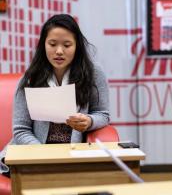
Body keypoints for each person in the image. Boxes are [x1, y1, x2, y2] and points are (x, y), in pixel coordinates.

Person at [0, 14, 110, 176]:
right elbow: (21, 130)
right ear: (43, 45)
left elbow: (103, 115)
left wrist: (89, 121)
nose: (59, 51)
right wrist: (45, 155)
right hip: (34, 153)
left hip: (72, 154)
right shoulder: (31, 78)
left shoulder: (93, 73)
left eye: (67, 45)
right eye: (52, 44)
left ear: (77, 46)